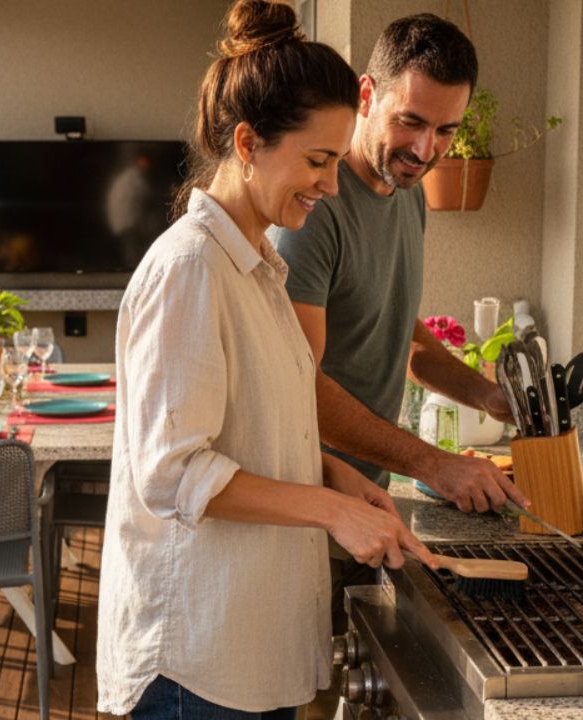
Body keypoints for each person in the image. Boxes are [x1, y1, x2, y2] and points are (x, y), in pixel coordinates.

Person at [95, 2, 437, 718]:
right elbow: (174, 472)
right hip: (195, 666)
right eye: (316, 161)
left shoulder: (258, 267)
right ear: (248, 143)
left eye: (335, 161)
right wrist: (331, 513)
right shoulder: (190, 269)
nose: (330, 184)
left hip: (244, 650)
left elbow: (267, 430)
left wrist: (344, 481)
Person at [272, 14, 533, 631]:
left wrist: (491, 397)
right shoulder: (315, 213)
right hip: (312, 512)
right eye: (410, 121)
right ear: (367, 95)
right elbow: (297, 386)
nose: (425, 149)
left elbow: (401, 336)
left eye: (446, 129)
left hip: (370, 505)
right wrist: (433, 464)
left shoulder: (407, 192)